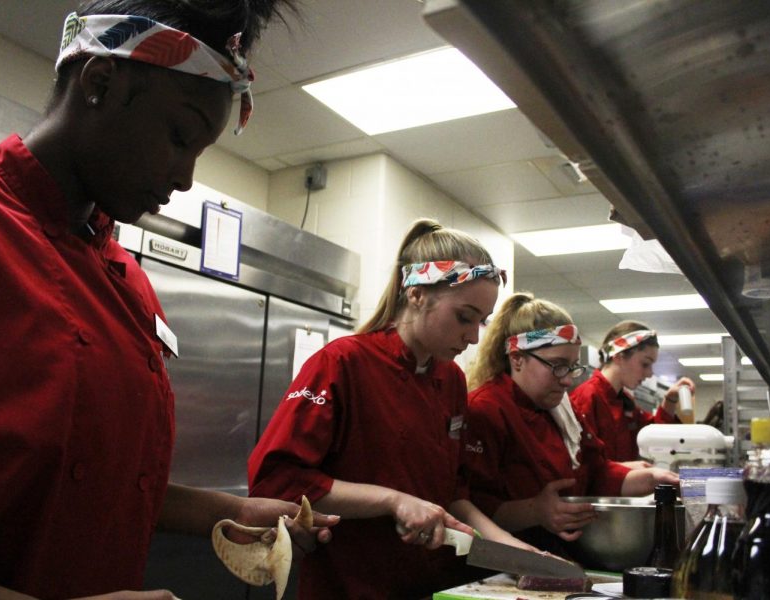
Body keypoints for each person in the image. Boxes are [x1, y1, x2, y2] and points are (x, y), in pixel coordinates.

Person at [0, 2, 338, 599]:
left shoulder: (129, 283)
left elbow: (92, 479)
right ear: (99, 82)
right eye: (179, 136)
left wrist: (225, 511)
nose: (186, 179)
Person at [248, 219, 547, 599]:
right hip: (350, 584)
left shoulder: (452, 380)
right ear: (418, 294)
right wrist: (393, 501)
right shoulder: (342, 364)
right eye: (464, 317)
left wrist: (509, 549)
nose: (473, 337)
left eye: (482, 322)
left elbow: (453, 493)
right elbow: (277, 481)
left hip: (431, 582)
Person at [465, 294, 679, 555]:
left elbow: (594, 471)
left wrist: (649, 479)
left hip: (558, 551)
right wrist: (535, 511)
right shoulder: (486, 409)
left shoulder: (561, 410)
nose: (567, 380)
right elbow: (469, 506)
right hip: (507, 560)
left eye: (571, 367)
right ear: (517, 358)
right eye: (557, 366)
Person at [570, 320, 697, 464]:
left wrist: (670, 399)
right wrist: (627, 472)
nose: (650, 373)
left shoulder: (624, 401)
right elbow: (584, 466)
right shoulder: (587, 398)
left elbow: (654, 435)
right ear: (619, 356)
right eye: (645, 364)